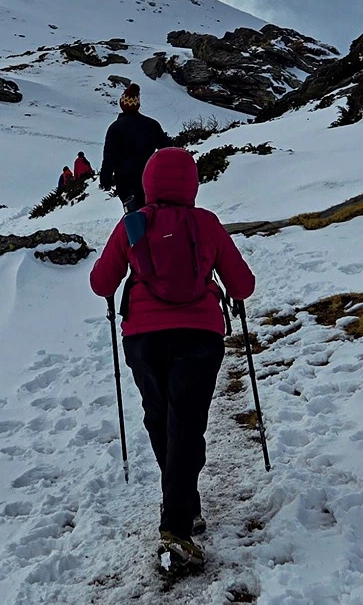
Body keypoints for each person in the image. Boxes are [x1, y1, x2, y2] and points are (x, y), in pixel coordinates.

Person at [90, 147, 255, 569]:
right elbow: (242, 285)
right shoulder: (207, 223)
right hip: (199, 335)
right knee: (186, 424)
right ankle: (179, 521)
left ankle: (180, 513)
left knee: (160, 418)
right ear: (192, 183)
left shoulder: (133, 225)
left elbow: (101, 282)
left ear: (148, 182)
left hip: (143, 337)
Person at [99, 83, 171, 209]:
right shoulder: (152, 124)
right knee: (151, 210)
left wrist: (105, 179)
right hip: (150, 177)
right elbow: (167, 149)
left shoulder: (116, 128)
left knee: (134, 214)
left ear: (122, 104)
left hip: (125, 181)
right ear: (137, 105)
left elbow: (110, 157)